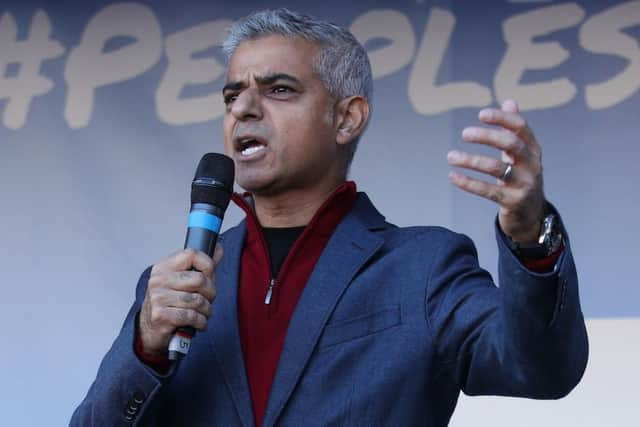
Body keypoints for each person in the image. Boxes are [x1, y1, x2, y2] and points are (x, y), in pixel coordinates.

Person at [71, 8, 588, 427]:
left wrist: (531, 235)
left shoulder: (423, 266)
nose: (243, 109)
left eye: (277, 90)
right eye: (233, 95)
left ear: (347, 117)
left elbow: (542, 369)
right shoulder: (178, 287)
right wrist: (147, 346)